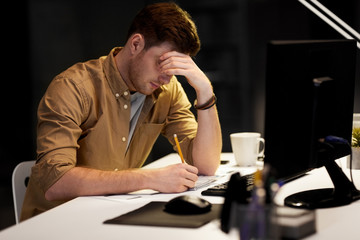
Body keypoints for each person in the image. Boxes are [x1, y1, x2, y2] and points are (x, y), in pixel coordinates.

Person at [21, 2, 222, 221]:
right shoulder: (73, 87)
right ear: (136, 44)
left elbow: (206, 165)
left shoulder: (167, 89)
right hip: (55, 222)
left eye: (175, 67)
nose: (167, 77)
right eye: (162, 62)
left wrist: (204, 90)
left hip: (110, 215)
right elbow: (55, 182)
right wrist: (150, 179)